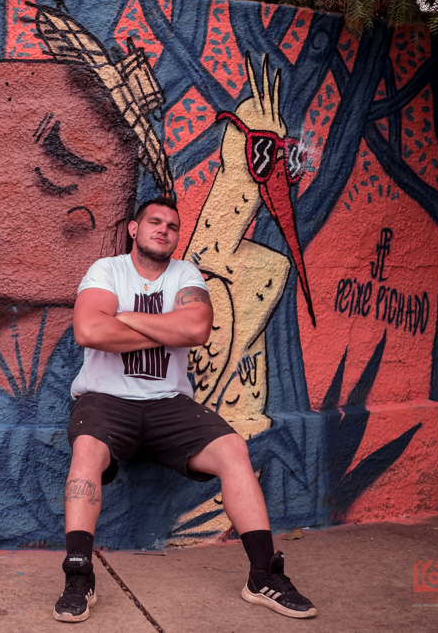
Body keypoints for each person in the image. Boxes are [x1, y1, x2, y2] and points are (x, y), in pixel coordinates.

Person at [53, 196, 317, 622]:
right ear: (134, 229)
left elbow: (195, 328)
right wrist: (166, 329)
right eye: (154, 221)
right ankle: (79, 575)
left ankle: (264, 575)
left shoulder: (186, 275)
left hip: (169, 404)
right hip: (105, 398)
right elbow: (88, 330)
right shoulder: (107, 270)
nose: (163, 229)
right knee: (86, 450)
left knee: (233, 450)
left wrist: (122, 317)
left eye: (172, 226)